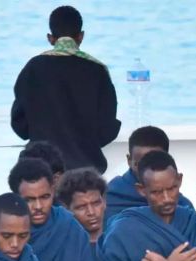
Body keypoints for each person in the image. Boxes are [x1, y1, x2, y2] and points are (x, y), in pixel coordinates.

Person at [10, 6, 120, 172]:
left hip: (40, 168)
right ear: (81, 36)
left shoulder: (33, 68)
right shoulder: (97, 70)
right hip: (86, 169)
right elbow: (107, 127)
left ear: (50, 38)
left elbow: (20, 125)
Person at [8, 158, 103, 261]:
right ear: (16, 196)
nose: (38, 206)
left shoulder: (69, 227)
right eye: (29, 200)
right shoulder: (4, 232)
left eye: (44, 197)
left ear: (53, 190)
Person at [105, 126, 194, 227]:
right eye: (139, 164)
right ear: (129, 160)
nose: (146, 170)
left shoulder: (182, 205)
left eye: (155, 163)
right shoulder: (110, 196)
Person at [56, 167, 107, 244]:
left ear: (104, 202)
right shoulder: (62, 248)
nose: (91, 212)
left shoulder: (121, 235)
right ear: (67, 209)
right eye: (81, 207)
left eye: (96, 203)